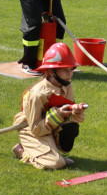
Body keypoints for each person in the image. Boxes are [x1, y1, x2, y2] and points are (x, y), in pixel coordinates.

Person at [12, 42, 87, 170]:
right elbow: (36, 129)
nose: (71, 74)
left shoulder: (68, 86)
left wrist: (75, 112)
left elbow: (69, 121)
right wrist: (59, 114)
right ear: (51, 71)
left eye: (72, 69)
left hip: (47, 126)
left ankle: (51, 152)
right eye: (65, 70)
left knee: (71, 128)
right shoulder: (37, 94)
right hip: (30, 128)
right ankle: (22, 151)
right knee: (55, 164)